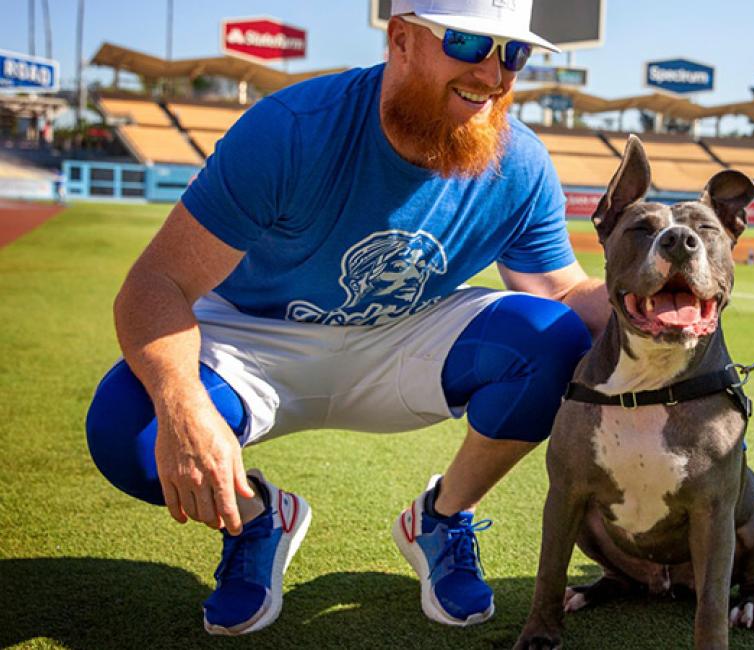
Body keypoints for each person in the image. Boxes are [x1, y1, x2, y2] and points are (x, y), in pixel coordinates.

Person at [85, 0, 606, 636]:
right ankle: (257, 520)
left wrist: (659, 301)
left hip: (405, 338)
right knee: (128, 432)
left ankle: (441, 518)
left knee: (552, 340)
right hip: (257, 338)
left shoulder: (518, 160)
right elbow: (154, 285)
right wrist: (184, 406)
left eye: (513, 54)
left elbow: (560, 292)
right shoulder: (293, 129)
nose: (493, 75)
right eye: (470, 44)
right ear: (402, 39)